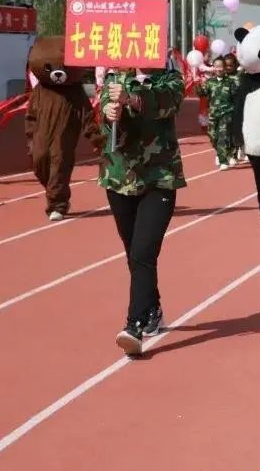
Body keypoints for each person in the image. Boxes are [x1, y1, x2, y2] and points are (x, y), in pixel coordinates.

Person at [100, 56, 187, 355]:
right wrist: (110, 113)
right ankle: (152, 310)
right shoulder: (113, 79)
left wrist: (132, 99)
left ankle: (133, 325)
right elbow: (104, 126)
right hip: (119, 178)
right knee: (134, 255)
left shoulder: (170, 79)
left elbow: (165, 103)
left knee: (143, 253)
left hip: (159, 178)